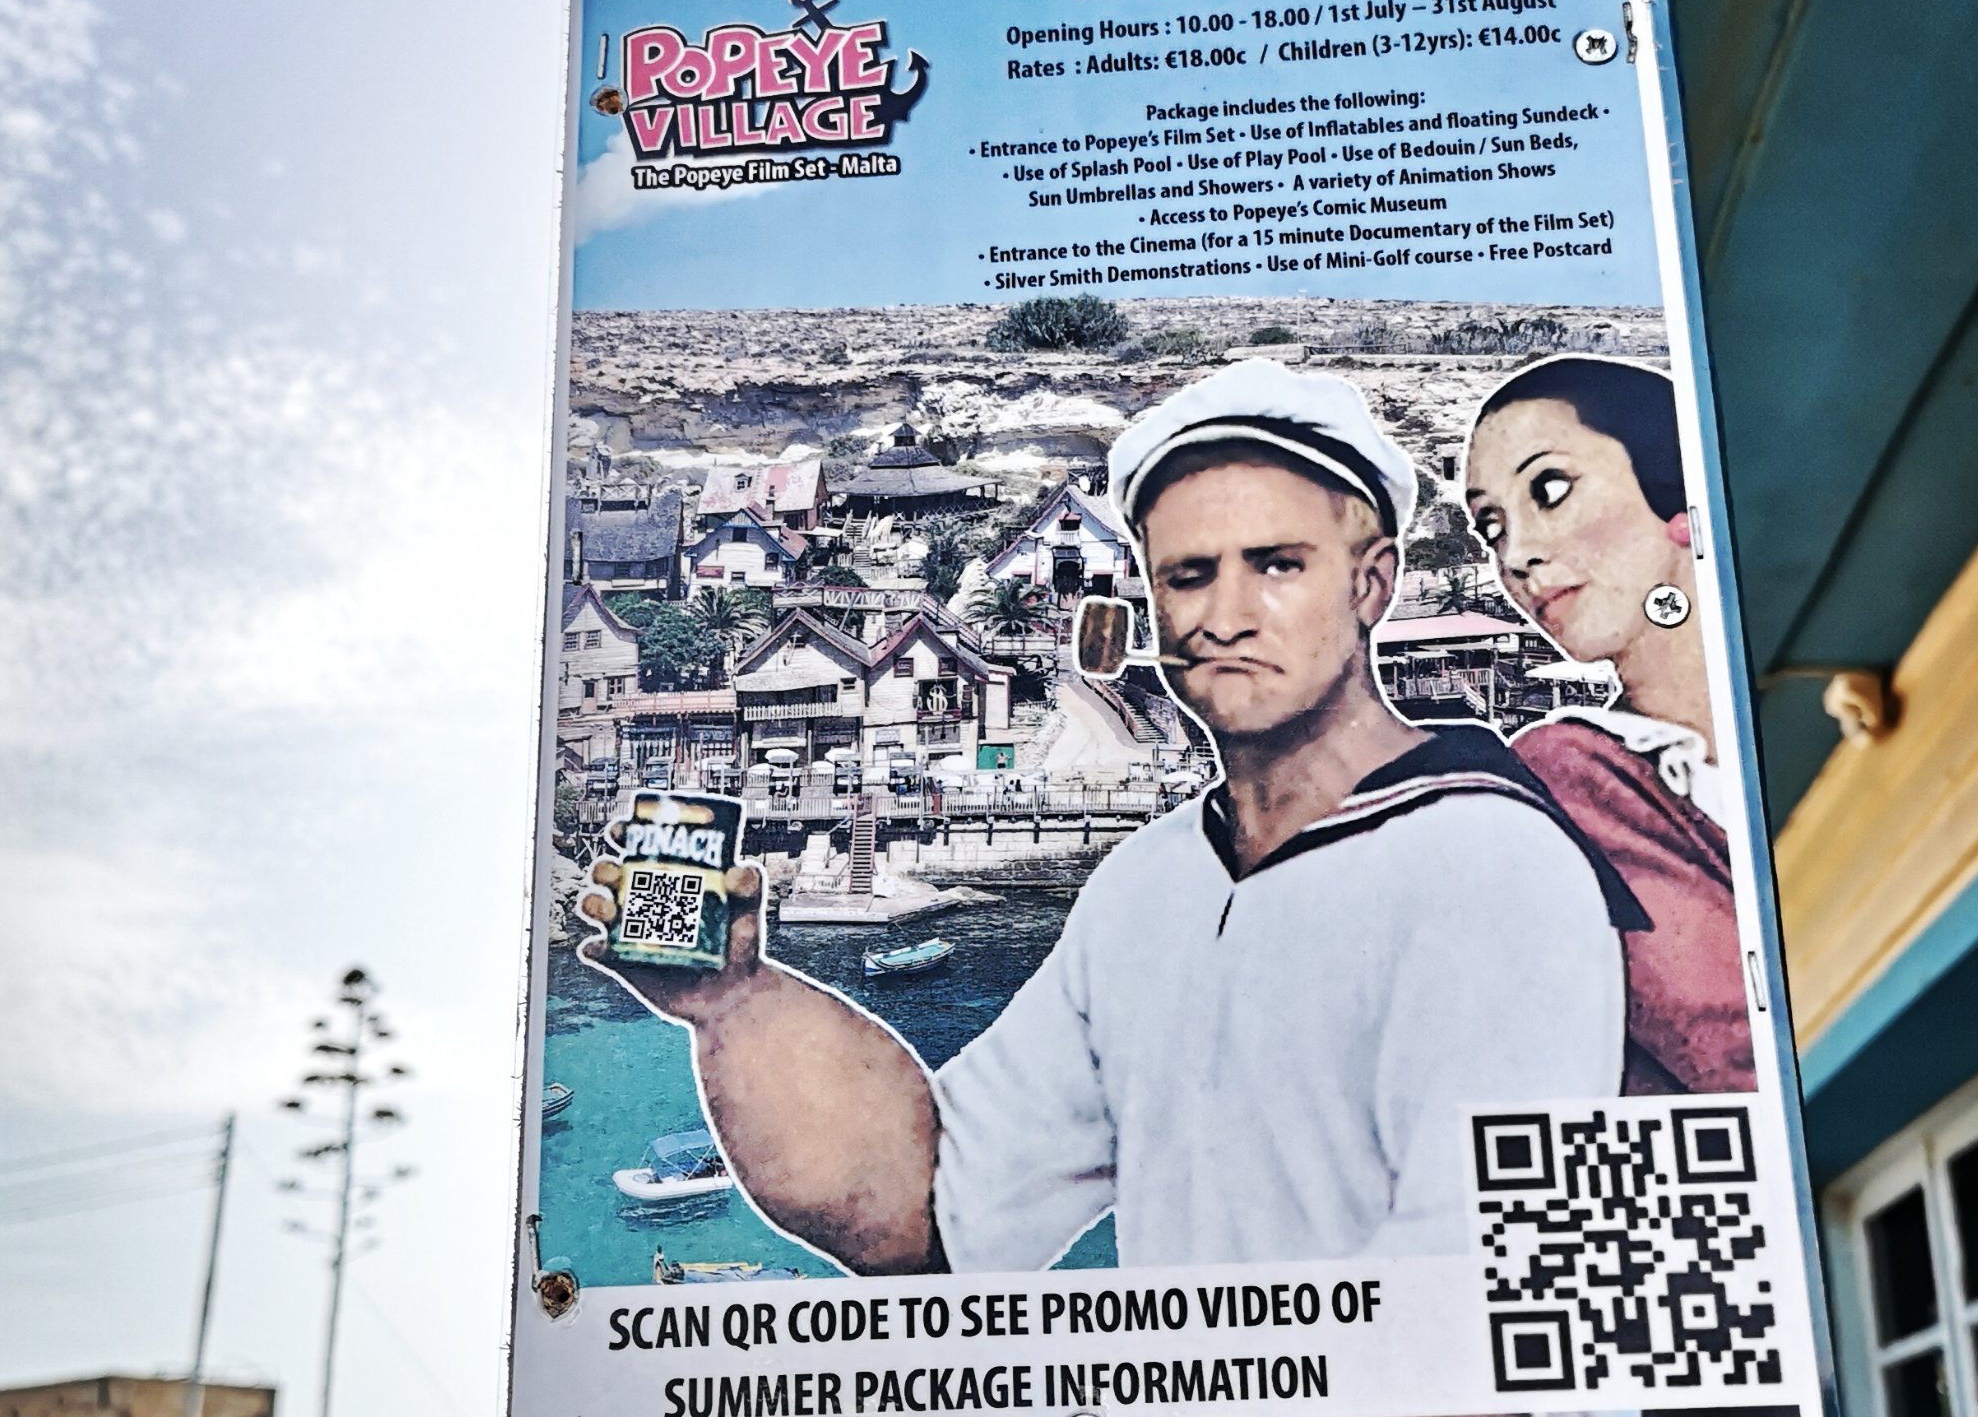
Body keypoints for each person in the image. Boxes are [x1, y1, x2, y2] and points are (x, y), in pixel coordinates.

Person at [580, 359, 1633, 1273]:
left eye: (1276, 565)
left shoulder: (1492, 863)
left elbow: (1493, 1287)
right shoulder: (1152, 882)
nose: (1226, 615)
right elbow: (932, 1208)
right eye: (1188, 576)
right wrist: (736, 1007)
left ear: (1371, 584)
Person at [1462, 354, 1756, 1094]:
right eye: (1492, 526)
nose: (1517, 556)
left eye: (1549, 490)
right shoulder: (1571, 775)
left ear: (1677, 495)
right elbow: (1741, 1053)